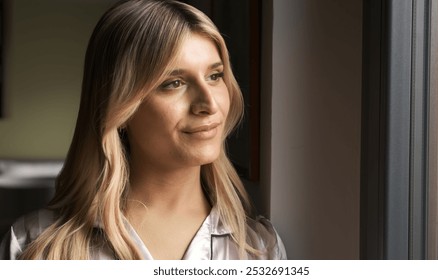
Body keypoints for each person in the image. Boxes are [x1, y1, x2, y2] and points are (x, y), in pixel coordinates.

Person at [0, 0, 286, 260]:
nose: (209, 104)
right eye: (173, 83)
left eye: (215, 76)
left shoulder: (259, 249)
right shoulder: (33, 246)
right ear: (119, 107)